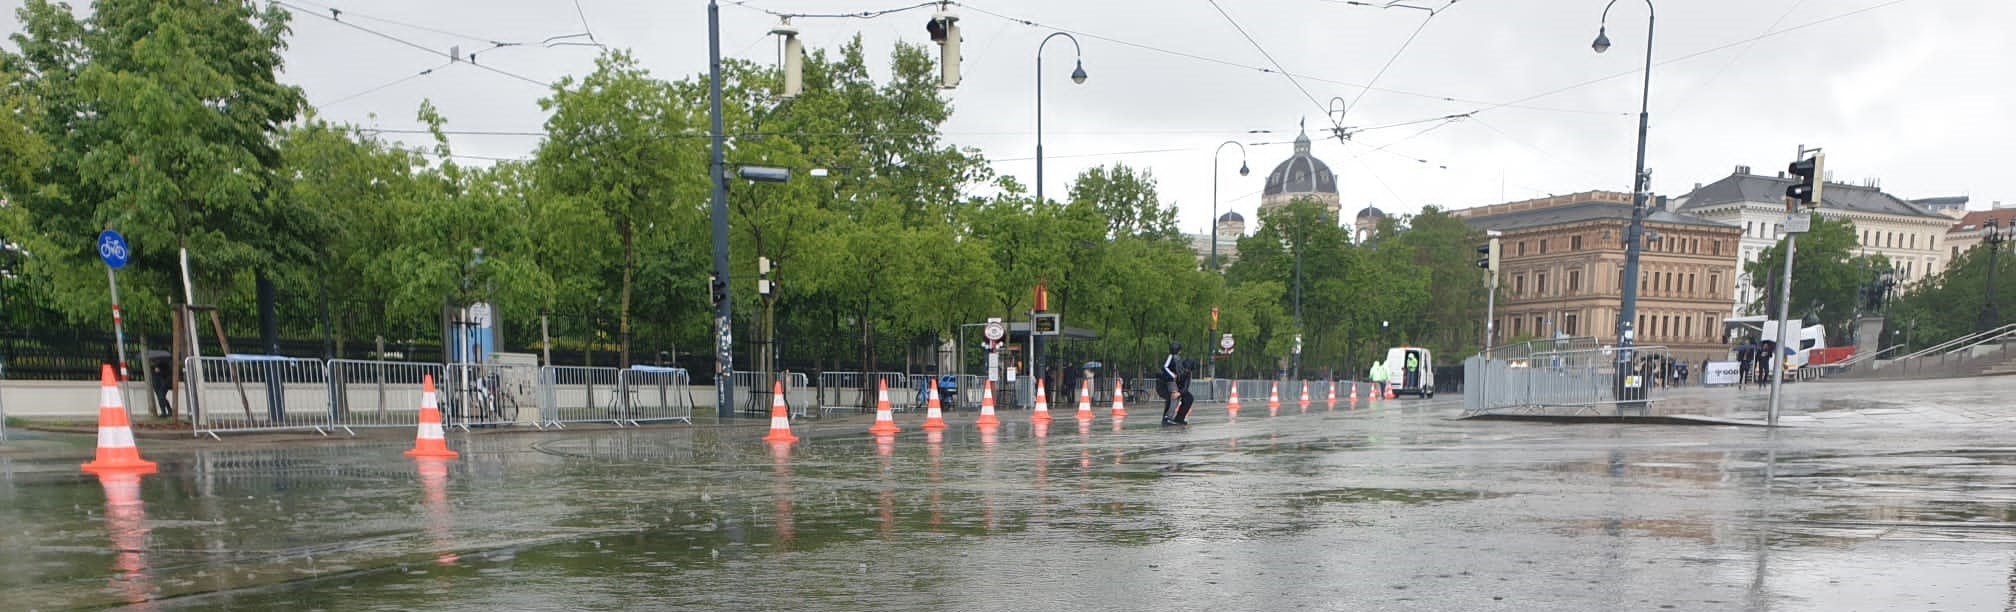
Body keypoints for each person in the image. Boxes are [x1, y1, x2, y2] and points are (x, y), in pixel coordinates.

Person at [1157, 342, 1185, 425]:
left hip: (1173, 380)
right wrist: (1173, 375)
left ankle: (1169, 417)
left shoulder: (1176, 357)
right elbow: (1165, 367)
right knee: (1174, 397)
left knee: (1175, 397)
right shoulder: (1171, 357)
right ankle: (1168, 417)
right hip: (1171, 381)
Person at [1170, 357, 1198, 425]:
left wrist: (1179, 393)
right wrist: (1173, 390)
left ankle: (1179, 418)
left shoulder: (1188, 373)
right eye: (1186, 369)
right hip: (1170, 386)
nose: (1187, 371)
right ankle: (1167, 416)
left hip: (1179, 389)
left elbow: (1186, 386)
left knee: (1189, 398)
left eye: (1189, 370)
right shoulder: (1176, 367)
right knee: (1172, 396)